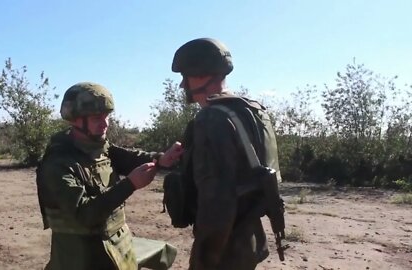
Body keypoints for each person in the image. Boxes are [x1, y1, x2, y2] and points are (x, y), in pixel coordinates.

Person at [36, 82, 183, 270]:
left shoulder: (97, 146)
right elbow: (83, 215)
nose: (105, 123)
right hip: (81, 258)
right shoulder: (58, 163)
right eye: (97, 117)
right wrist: (130, 184)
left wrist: (160, 159)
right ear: (75, 120)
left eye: (107, 116)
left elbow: (125, 157)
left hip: (117, 249)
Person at [170, 38, 283, 270]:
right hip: (249, 234)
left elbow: (217, 200)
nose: (183, 85)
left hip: (225, 245)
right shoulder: (252, 110)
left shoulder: (211, 119)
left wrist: (204, 257)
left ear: (201, 74)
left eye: (185, 76)